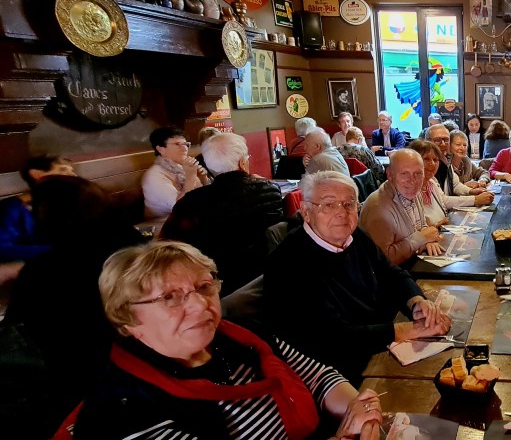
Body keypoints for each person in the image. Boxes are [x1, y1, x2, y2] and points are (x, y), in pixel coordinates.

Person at [71, 241, 385, 439]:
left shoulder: (241, 335)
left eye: (204, 287)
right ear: (127, 319)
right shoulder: (122, 412)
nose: (200, 305)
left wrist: (361, 410)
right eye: (169, 297)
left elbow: (318, 377)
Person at [265, 171, 450, 381]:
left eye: (349, 204)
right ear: (306, 212)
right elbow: (332, 338)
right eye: (329, 204)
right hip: (338, 374)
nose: (342, 213)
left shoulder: (356, 236)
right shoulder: (287, 263)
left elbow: (392, 274)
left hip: (382, 346)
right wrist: (407, 330)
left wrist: (416, 302)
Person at [2, 176, 144, 439]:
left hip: (83, 383)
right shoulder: (132, 240)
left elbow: (19, 334)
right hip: (145, 360)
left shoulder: (48, 270)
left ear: (50, 213)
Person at [160, 133, 283, 295]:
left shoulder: (192, 202)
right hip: (268, 279)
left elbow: (166, 246)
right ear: (243, 162)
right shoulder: (271, 190)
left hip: (217, 286)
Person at [360, 149, 446, 265]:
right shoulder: (378, 209)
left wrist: (428, 241)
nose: (412, 181)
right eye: (404, 173)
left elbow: (422, 227)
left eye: (418, 173)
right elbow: (382, 261)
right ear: (390, 175)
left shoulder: (413, 193)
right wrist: (422, 238)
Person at [0, 155, 76, 263]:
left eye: (72, 171)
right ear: (36, 174)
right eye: (62, 169)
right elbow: (3, 249)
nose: (73, 175)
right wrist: (58, 251)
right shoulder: (11, 209)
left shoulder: (69, 202)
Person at [409, 139, 493, 227]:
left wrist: (472, 193)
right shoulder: (409, 190)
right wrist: (475, 199)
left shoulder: (432, 181)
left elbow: (444, 199)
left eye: (435, 160)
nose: (432, 164)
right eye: (426, 159)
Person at [141, 127, 211, 220]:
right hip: (162, 223)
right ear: (160, 149)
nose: (185, 149)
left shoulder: (183, 167)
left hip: (190, 218)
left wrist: (203, 179)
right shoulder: (154, 175)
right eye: (177, 144)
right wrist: (190, 177)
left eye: (186, 144)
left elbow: (204, 199)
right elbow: (180, 207)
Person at [426, 125, 490, 197]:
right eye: (458, 144)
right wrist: (466, 187)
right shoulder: (443, 164)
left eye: (464, 145)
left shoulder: (466, 161)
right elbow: (444, 195)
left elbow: (483, 172)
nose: (462, 148)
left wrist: (482, 180)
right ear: (449, 147)